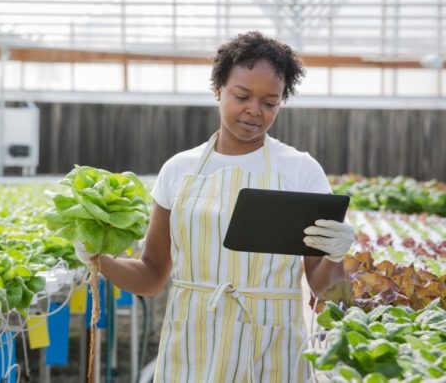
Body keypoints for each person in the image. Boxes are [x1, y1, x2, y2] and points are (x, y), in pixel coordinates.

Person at [75, 31, 355, 383]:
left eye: (271, 102)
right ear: (218, 89)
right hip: (193, 344)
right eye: (242, 96)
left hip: (272, 346)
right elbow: (151, 275)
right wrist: (100, 260)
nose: (255, 110)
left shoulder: (300, 170)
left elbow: (322, 288)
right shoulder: (179, 169)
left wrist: (335, 255)